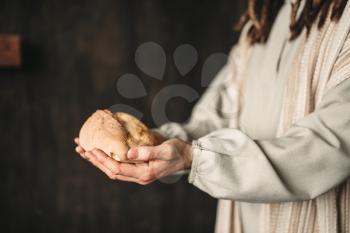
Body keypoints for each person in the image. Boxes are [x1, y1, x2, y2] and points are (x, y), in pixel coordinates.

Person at [75, 0, 350, 232]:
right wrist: (159, 143)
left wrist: (193, 157)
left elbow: (327, 148)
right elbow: (217, 117)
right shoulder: (261, 24)